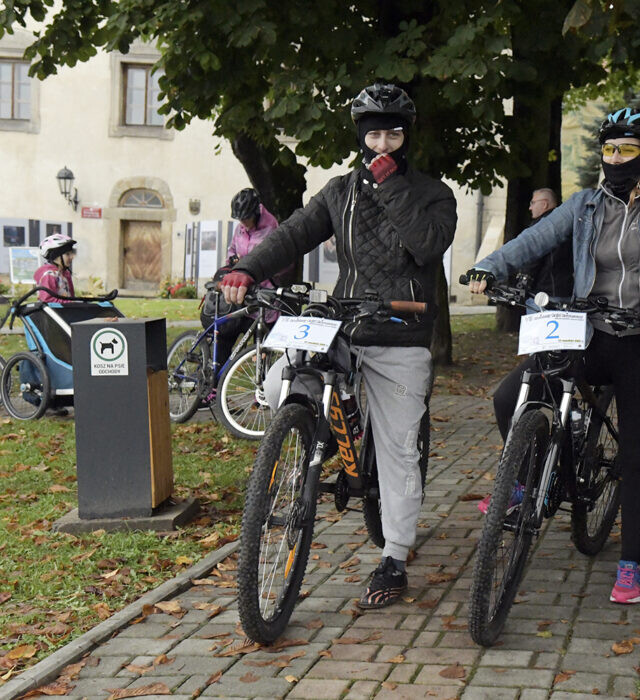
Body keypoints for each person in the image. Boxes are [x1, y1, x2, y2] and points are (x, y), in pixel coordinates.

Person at [219, 83, 457, 609]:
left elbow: (427, 245)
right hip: (344, 324)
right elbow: (292, 234)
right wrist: (246, 269)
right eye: (373, 135)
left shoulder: (433, 193)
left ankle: (394, 556)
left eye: (394, 135)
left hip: (401, 330)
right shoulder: (339, 191)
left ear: (408, 138)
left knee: (398, 448)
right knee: (280, 381)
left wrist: (392, 186)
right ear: (360, 137)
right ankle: (310, 438)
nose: (382, 145)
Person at [467, 106, 640, 605]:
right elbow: (536, 237)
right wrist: (490, 265)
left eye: (626, 149)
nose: (615, 158)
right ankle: (528, 479)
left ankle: (629, 565)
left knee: (635, 461)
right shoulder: (585, 203)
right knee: (508, 398)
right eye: (608, 149)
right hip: (587, 333)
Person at [202, 189, 284, 371]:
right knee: (225, 336)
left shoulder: (270, 228)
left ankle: (260, 384)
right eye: (239, 219)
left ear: (255, 213)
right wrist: (232, 261)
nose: (242, 223)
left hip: (260, 293)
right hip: (239, 294)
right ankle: (214, 379)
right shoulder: (241, 228)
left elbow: (274, 260)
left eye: (246, 218)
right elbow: (232, 249)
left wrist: (250, 268)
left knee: (261, 346)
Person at [519, 188, 573, 300]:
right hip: (568, 291)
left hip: (543, 295)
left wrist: (522, 284)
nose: (530, 207)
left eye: (533, 203)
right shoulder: (568, 223)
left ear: (544, 204)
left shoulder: (540, 226)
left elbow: (531, 259)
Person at [34, 234, 77, 302]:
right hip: (54, 309)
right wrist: (72, 303)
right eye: (67, 254)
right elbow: (47, 300)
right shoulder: (49, 275)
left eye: (72, 253)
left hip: (66, 309)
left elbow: (71, 298)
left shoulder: (65, 273)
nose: (72, 257)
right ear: (56, 256)